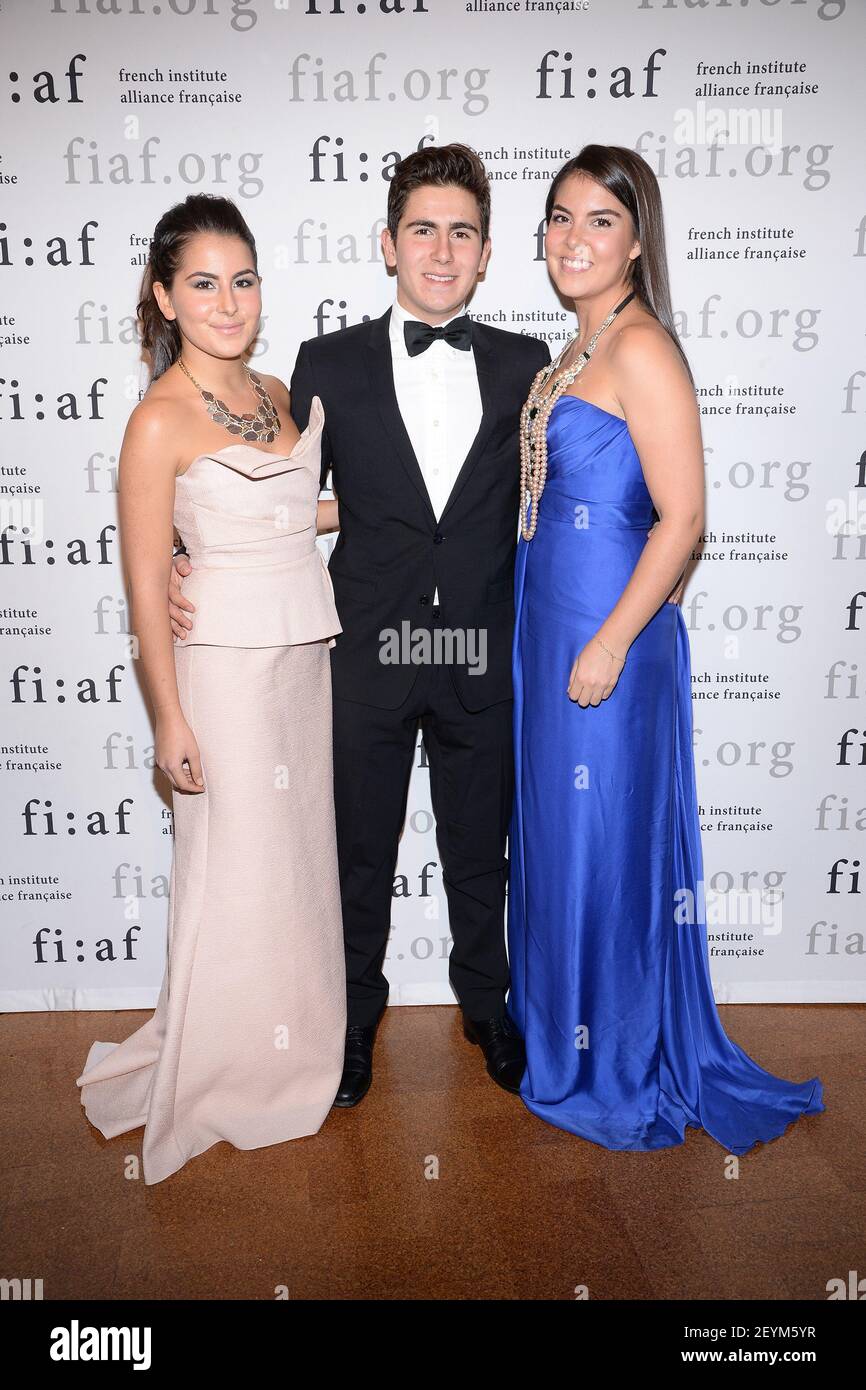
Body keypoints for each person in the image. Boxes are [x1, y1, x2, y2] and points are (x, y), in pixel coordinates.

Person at [170, 145, 550, 1106]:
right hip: (365, 650)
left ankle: (488, 1008)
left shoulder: (526, 364)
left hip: (481, 649)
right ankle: (349, 1021)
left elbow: (555, 501)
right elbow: (285, 494)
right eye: (422, 228)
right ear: (388, 243)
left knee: (481, 848)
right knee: (355, 853)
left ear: (486, 252)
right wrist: (192, 550)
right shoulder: (323, 364)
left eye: (462, 231)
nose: (441, 249)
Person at [507, 145, 825, 1153]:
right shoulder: (574, 349)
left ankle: (614, 1059)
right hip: (550, 620)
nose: (572, 237)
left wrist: (608, 641)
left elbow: (681, 518)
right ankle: (564, 1039)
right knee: (562, 836)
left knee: (602, 840)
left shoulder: (640, 347)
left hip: (605, 631)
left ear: (636, 239)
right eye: (559, 217)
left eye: (598, 220)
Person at [75, 194, 346, 1184]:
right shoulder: (158, 422)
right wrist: (168, 718)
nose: (227, 301)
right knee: (233, 872)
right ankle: (224, 1066)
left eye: (241, 279)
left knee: (293, 869)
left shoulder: (279, 393)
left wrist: (364, 509)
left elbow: (287, 514)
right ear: (165, 298)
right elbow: (149, 582)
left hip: (299, 665)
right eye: (203, 283)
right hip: (222, 679)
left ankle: (294, 1048)